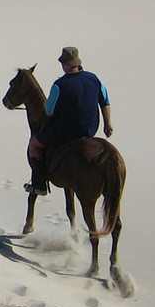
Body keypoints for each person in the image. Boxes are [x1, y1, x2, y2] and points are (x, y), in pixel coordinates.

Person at [29, 46, 113, 195]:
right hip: (90, 129)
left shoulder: (60, 85)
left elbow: (48, 112)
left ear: (65, 65)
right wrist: (108, 124)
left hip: (66, 132)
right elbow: (105, 102)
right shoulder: (94, 78)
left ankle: (39, 184)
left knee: (35, 144)